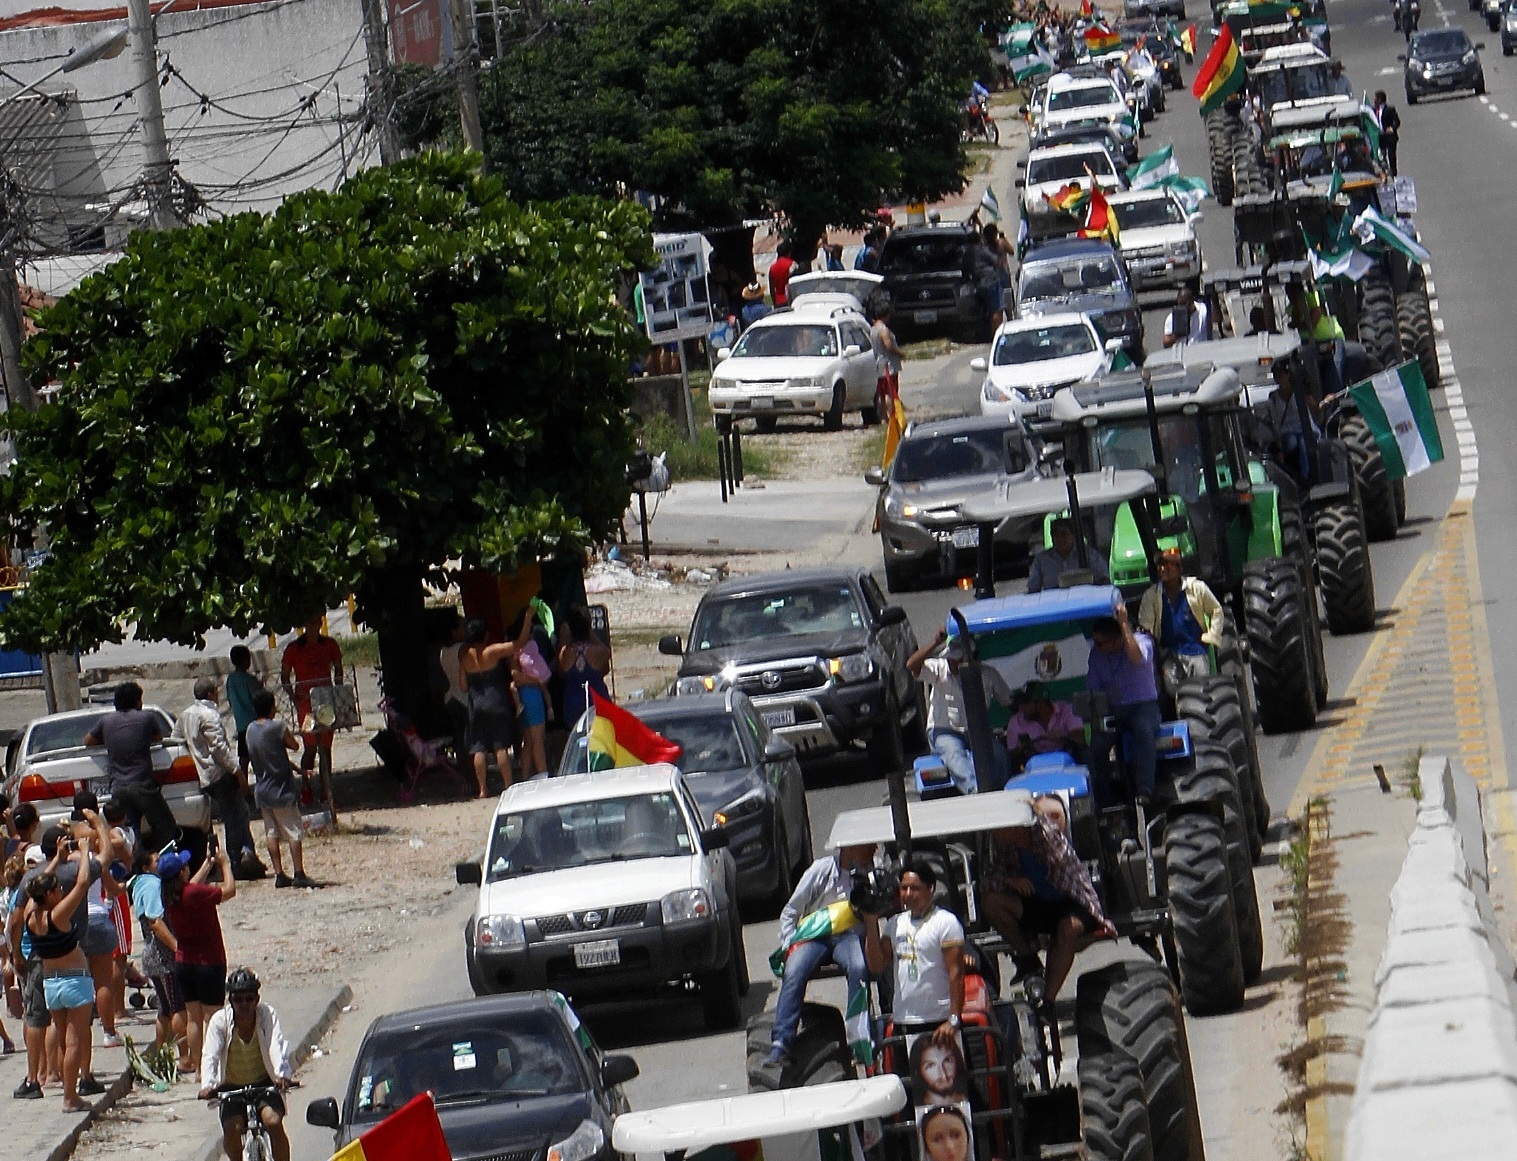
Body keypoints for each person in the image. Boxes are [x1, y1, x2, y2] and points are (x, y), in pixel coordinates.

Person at [25, 810, 118, 1111]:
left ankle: (66, 1087)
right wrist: (85, 849)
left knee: (65, 1039)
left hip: (51, 982)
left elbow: (34, 887)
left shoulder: (31, 915)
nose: (59, 890)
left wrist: (54, 861)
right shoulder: (58, 915)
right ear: (51, 894)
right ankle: (70, 1096)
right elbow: (81, 885)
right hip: (74, 979)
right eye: (55, 889)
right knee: (76, 1040)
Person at [981, 803, 1115, 1006]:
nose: (995, 834)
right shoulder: (1006, 847)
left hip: (1070, 900)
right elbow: (986, 880)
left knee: (1068, 930)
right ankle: (1028, 959)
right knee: (991, 902)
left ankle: (1049, 1000)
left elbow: (1063, 864)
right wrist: (1010, 880)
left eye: (999, 829)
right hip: (1039, 905)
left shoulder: (1046, 836)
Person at [763, 842, 878, 1068]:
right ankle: (781, 1042)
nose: (874, 849)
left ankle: (858, 1037)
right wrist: (790, 944)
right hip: (814, 937)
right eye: (868, 846)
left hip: (848, 938)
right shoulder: (820, 870)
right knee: (794, 970)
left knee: (858, 966)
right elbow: (790, 912)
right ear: (849, 849)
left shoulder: (872, 873)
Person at [862, 859, 965, 1040]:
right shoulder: (894, 923)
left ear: (930, 888)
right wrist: (871, 922)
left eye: (915, 888)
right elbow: (877, 966)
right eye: (904, 888)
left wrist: (954, 1019)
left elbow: (956, 972)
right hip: (904, 1021)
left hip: (938, 1022)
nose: (908, 894)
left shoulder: (946, 922)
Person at [200, 968, 294, 1161]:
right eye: (238, 999)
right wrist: (208, 1085)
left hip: (264, 1082)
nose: (244, 1004)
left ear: (257, 999)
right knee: (232, 1129)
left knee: (273, 1122)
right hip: (231, 1087)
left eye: (249, 998)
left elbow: (275, 1045)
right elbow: (211, 1054)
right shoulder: (220, 1021)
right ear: (230, 1001)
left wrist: (282, 1075)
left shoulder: (267, 1015)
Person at [162, 840, 237, 1083]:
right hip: (209, 961)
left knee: (194, 1018)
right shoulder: (194, 893)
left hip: (185, 962)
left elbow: (190, 886)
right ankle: (218, 1067)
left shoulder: (170, 895)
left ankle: (199, 1069)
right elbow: (229, 890)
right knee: (214, 1017)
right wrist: (225, 864)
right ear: (181, 872)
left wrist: (207, 863)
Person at [907, 628, 1014, 796]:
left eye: (956, 659)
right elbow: (911, 665)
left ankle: (1001, 792)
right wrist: (935, 642)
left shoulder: (988, 674)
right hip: (944, 731)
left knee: (998, 752)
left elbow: (1009, 701)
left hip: (975, 732)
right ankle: (976, 792)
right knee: (954, 753)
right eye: (950, 658)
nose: (952, 662)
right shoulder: (939, 669)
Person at [182, 678, 263, 882]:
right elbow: (219, 749)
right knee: (234, 817)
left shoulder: (186, 714)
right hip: (219, 773)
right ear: (210, 694)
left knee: (240, 812)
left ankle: (248, 854)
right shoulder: (209, 715)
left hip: (203, 775)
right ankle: (235, 862)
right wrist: (238, 772)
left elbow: (177, 739)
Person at [85, 682, 175, 851]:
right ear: (136, 701)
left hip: (118, 787)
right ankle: (163, 861)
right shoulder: (146, 718)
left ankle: (136, 866)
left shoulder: (106, 721)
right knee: (165, 825)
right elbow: (159, 737)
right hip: (142, 785)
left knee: (130, 832)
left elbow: (88, 741)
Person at [1086, 607, 1162, 806]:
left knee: (1143, 729)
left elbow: (1137, 657)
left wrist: (1123, 624)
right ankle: (1105, 797)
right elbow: (1092, 688)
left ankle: (1145, 788)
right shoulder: (1097, 656)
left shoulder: (1143, 642)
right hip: (1115, 709)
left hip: (1143, 706)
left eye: (1101, 642)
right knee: (1098, 744)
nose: (1097, 646)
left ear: (1115, 640)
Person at [460, 612, 536, 797]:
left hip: (476, 704)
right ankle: (508, 785)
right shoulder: (492, 652)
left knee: (479, 748)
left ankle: (482, 789)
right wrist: (527, 619)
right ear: (485, 635)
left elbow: (463, 686)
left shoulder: (464, 656)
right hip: (496, 701)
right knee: (500, 746)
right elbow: (519, 643)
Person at [129, 846, 191, 1072]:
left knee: (165, 1009)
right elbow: (155, 920)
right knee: (178, 1007)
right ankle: (184, 1058)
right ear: (146, 866)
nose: (160, 863)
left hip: (151, 954)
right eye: (156, 860)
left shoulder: (139, 884)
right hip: (163, 955)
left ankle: (161, 1055)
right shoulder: (152, 885)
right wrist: (177, 948)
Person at [246, 689, 313, 890]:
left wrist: (298, 769)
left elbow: (275, 757)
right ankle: (299, 873)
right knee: (294, 831)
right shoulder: (277, 726)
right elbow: (293, 746)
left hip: (262, 789)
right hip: (281, 789)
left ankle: (279, 874)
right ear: (271, 707)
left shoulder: (250, 729)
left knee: (271, 832)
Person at [279, 614, 344, 805]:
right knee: (310, 748)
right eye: (310, 622)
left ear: (321, 623)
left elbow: (339, 669)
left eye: (316, 621)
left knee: (326, 748)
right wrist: (293, 696)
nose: (313, 625)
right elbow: (285, 675)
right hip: (305, 705)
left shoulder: (329, 645)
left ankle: (326, 790)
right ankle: (306, 787)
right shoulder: (294, 648)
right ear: (305, 624)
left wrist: (337, 690)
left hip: (326, 703)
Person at [1137, 549, 1225, 682]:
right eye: (1160, 565)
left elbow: (1216, 610)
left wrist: (1212, 635)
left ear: (1179, 569)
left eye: (1168, 565)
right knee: (1172, 691)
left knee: (1202, 686)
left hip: (1196, 652)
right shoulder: (1151, 595)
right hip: (1169, 656)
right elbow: (1145, 626)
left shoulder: (1197, 588)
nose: (1163, 569)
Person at [7, 844, 49, 1098]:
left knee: (32, 1013)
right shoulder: (31, 897)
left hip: (25, 955)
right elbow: (13, 923)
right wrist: (15, 955)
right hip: (30, 955)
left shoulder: (20, 893)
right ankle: (42, 1072)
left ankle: (41, 1070)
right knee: (36, 1015)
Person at [509, 608, 553, 779]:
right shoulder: (520, 649)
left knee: (528, 741)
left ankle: (525, 776)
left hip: (526, 694)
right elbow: (515, 675)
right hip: (532, 694)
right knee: (537, 739)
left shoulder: (515, 649)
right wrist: (537, 681)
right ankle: (543, 774)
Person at [1005, 683, 1084, 773]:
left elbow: (1080, 740)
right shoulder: (1016, 721)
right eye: (1020, 704)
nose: (1021, 708)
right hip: (1034, 769)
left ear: (1040, 703)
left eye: (1025, 704)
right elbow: (1011, 755)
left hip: (1068, 764)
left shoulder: (1066, 710)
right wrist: (1021, 748)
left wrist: (1064, 736)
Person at [557, 606, 612, 732]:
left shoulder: (565, 653)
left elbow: (561, 673)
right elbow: (606, 659)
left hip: (572, 702)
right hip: (597, 700)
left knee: (578, 737)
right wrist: (589, 633)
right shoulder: (599, 651)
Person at [1026, 518, 1109, 593]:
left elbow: (1104, 579)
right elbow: (1033, 588)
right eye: (1056, 535)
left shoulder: (1089, 554)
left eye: (1064, 534)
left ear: (1073, 536)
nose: (1060, 539)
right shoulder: (1041, 560)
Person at [226, 646, 262, 780]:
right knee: (257, 757)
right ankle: (261, 782)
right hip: (254, 722)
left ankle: (244, 785)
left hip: (241, 724)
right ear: (246, 660)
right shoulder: (250, 680)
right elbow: (257, 698)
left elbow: (230, 700)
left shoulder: (230, 679)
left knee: (243, 758)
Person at [909, 1034, 971, 1106]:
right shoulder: (911, 1111)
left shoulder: (974, 1103)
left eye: (947, 1060)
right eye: (930, 1065)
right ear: (918, 1071)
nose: (943, 1075)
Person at [870, 303, 904, 412]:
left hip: (878, 364)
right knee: (891, 392)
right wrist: (900, 353)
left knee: (881, 393)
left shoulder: (873, 329)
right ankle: (891, 415)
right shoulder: (883, 330)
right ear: (887, 314)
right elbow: (888, 346)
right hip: (888, 365)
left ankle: (883, 416)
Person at [1372, 91, 1401, 177]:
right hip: (1380, 137)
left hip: (1390, 137)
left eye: (1376, 98)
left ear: (1380, 99)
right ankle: (1384, 173)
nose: (1374, 100)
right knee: (1381, 157)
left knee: (1392, 156)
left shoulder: (1389, 109)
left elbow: (1397, 122)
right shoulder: (1373, 110)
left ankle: (1394, 174)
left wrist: (1391, 128)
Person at [769, 240, 797, 307]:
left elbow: (772, 288)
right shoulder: (792, 265)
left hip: (778, 301)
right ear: (789, 252)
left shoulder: (772, 267)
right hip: (790, 299)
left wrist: (774, 302)